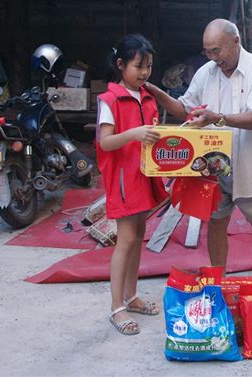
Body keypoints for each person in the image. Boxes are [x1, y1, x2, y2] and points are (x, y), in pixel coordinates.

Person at [145, 19, 252, 275]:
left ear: (235, 41)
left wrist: (217, 117)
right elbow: (184, 109)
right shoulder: (206, 72)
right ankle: (218, 281)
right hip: (214, 167)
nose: (212, 57)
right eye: (207, 51)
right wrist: (154, 91)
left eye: (216, 50)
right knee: (216, 224)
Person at [96, 34, 168, 335]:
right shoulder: (109, 100)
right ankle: (117, 307)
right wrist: (136, 133)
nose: (144, 73)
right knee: (125, 240)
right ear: (120, 64)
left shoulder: (148, 97)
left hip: (145, 176)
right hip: (125, 180)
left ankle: (132, 295)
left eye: (149, 66)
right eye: (138, 66)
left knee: (138, 237)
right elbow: (105, 141)